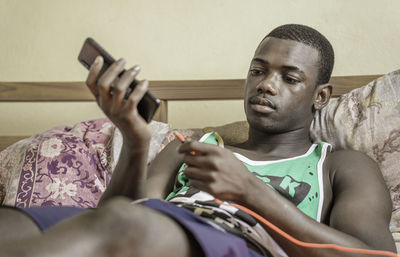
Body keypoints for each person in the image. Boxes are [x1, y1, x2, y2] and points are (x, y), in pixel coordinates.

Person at [0, 24, 396, 257]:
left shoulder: (340, 164)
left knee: (131, 223)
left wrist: (251, 194)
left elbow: (373, 256)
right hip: (153, 231)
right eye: (258, 71)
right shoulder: (192, 148)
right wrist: (135, 140)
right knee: (11, 223)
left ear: (321, 96)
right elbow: (117, 214)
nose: (266, 85)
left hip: (238, 242)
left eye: (289, 78)